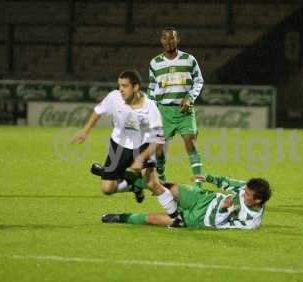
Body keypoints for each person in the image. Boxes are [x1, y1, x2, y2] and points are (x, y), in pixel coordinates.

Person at [71, 70, 165, 204]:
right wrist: (86, 130)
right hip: (118, 145)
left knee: (151, 182)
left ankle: (174, 212)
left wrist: (143, 157)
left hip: (142, 146)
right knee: (107, 188)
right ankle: (134, 185)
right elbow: (98, 111)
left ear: (136, 87)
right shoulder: (114, 97)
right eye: (119, 85)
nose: (121, 89)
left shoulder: (149, 106)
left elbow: (159, 138)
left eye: (125, 86)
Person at [101, 169, 272, 230]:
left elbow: (221, 225)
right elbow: (229, 183)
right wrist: (210, 178)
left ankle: (119, 217)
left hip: (197, 219)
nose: (243, 194)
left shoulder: (250, 222)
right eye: (245, 191)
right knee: (167, 186)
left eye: (248, 195)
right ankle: (117, 173)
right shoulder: (247, 188)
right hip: (203, 198)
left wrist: (223, 209)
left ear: (258, 201)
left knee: (152, 219)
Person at [147, 27, 204, 185]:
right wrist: (151, 109)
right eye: (165, 38)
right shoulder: (155, 63)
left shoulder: (189, 59)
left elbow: (198, 81)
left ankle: (199, 183)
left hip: (184, 110)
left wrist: (190, 97)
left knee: (190, 143)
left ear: (177, 40)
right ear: (161, 41)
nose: (168, 41)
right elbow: (151, 88)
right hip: (163, 111)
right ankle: (161, 176)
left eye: (172, 38)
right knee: (159, 150)